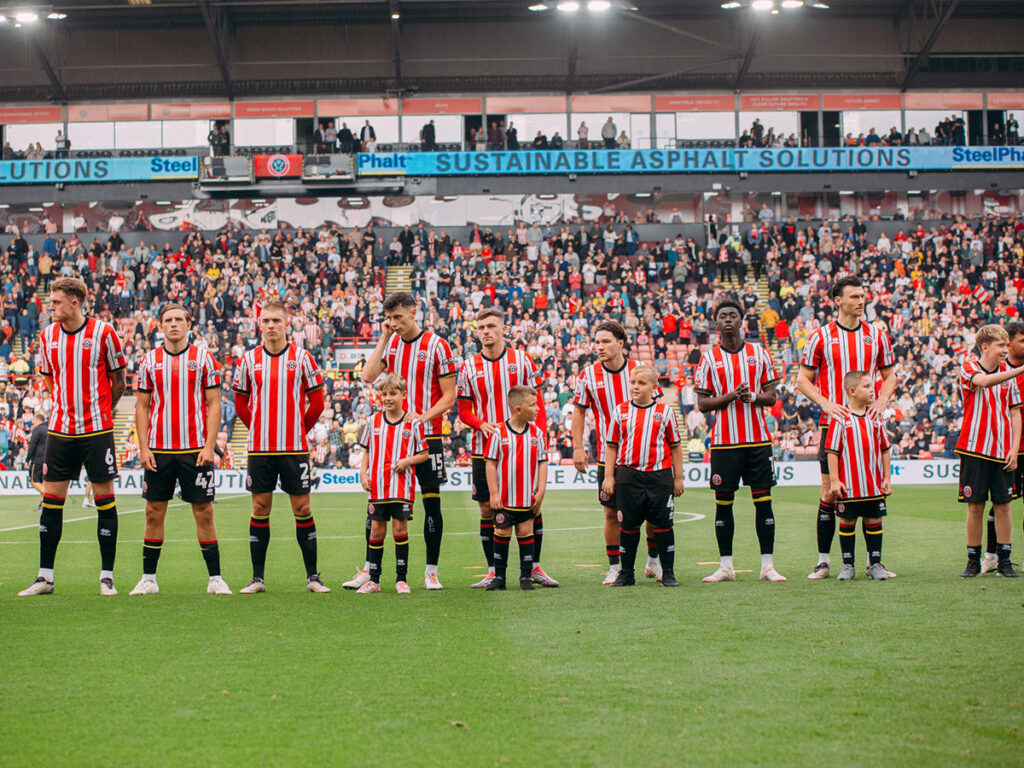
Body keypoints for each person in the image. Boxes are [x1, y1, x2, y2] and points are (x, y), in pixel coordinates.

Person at [19, 277, 127, 597]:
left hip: (97, 432)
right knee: (52, 503)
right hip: (60, 432)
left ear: (75, 302)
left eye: (55, 302)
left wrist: (103, 412)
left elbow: (118, 381)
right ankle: (45, 577)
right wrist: (66, 410)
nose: (50, 306)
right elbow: (51, 382)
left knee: (105, 502)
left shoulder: (104, 333)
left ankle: (107, 577)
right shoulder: (47, 337)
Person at [352, 292, 456, 590]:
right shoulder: (392, 342)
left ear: (414, 312)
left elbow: (449, 396)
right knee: (378, 505)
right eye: (390, 318)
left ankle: (431, 571)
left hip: (427, 435)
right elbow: (368, 376)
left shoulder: (437, 345)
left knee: (431, 506)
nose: (394, 323)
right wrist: (384, 339)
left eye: (399, 317)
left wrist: (423, 417)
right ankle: (371, 570)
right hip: (392, 439)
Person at [796, 275, 896, 580]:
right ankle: (824, 562)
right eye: (854, 296)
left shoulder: (876, 335)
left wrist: (881, 400)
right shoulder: (820, 337)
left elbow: (890, 375)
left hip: (867, 428)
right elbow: (802, 380)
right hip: (834, 427)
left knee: (871, 491)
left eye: (863, 296)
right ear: (838, 301)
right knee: (829, 493)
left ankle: (872, 563)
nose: (861, 301)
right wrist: (826, 404)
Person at [129, 303, 231, 596]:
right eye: (168, 320)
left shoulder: (204, 358)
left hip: (195, 450)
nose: (173, 324)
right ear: (160, 326)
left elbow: (214, 404)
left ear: (189, 324)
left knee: (204, 512)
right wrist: (143, 447)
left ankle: (215, 578)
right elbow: (143, 406)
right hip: (159, 450)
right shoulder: (149, 360)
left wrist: (210, 445)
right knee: (153, 512)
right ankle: (148, 578)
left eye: (179, 320)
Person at [232, 301, 329, 594]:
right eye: (266, 321)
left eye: (276, 320)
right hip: (260, 449)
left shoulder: (303, 358)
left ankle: (313, 577)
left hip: (293, 449)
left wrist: (299, 430)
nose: (271, 326)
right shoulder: (248, 360)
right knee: (260, 508)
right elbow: (240, 404)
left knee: (302, 508)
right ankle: (257, 579)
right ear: (259, 325)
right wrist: (260, 427)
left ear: (287, 324)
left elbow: (318, 403)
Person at [456, 307, 556, 588]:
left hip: (523, 446)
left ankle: (534, 567)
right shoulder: (468, 366)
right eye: (480, 327)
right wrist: (480, 424)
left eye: (490, 326)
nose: (485, 331)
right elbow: (463, 410)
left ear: (503, 329)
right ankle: (493, 570)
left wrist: (541, 435)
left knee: (532, 505)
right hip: (485, 447)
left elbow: (538, 402)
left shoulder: (521, 360)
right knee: (487, 509)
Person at [695, 300, 785, 583]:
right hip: (724, 443)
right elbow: (702, 404)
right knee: (724, 504)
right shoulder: (709, 358)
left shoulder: (759, 353)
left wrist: (753, 397)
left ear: (742, 320)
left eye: (733, 315)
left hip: (758, 440)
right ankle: (726, 567)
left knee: (764, 503)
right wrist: (732, 396)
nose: (729, 320)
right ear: (716, 323)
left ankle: (768, 566)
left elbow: (772, 397)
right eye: (723, 316)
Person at [572, 320, 662, 585]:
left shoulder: (639, 371)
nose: (599, 346)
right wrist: (578, 447)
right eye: (596, 342)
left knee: (652, 513)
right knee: (611, 513)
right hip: (607, 457)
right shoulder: (587, 375)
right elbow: (579, 410)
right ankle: (614, 566)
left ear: (621, 343)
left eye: (605, 341)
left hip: (644, 456)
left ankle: (653, 562)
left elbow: (657, 411)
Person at [601, 365, 683, 587]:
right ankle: (626, 573)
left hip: (659, 476)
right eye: (633, 383)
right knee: (627, 525)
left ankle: (668, 573)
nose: (636, 387)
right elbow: (611, 446)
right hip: (629, 476)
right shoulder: (621, 411)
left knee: (663, 525)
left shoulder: (665, 412)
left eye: (642, 383)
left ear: (654, 387)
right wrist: (609, 477)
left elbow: (675, 447)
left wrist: (678, 478)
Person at [956, 324, 1024, 578]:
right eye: (1000, 346)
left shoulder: (1010, 373)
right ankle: (973, 560)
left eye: (1007, 345)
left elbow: (1015, 413)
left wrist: (1014, 449)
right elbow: (984, 381)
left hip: (1002, 450)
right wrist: (1020, 370)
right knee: (975, 506)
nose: (1006, 350)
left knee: (1003, 505)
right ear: (985, 347)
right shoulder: (970, 367)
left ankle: (1004, 560)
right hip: (974, 449)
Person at [356, 374, 429, 594]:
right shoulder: (373, 421)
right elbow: (367, 450)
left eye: (393, 394)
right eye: (384, 394)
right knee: (376, 530)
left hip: (401, 486)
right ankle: (374, 581)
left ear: (403, 395)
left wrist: (408, 461)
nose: (388, 398)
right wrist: (363, 472)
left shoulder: (413, 422)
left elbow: (424, 453)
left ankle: (401, 579)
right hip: (378, 486)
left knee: (400, 528)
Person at [825, 371, 893, 581]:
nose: (872, 390)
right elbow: (832, 452)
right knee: (847, 521)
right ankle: (848, 565)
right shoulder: (840, 419)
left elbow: (884, 449)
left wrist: (887, 478)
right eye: (867, 386)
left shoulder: (875, 418)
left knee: (874, 519)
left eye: (872, 386)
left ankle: (875, 564)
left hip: (872, 485)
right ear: (852, 391)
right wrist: (835, 480)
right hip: (850, 486)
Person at [484, 385, 548, 591]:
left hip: (526, 498)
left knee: (525, 532)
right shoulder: (498, 433)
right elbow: (490, 463)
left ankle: (525, 577)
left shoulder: (537, 433)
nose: (537, 408)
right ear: (518, 409)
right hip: (504, 499)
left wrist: (541, 490)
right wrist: (493, 493)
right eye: (533, 405)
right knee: (502, 533)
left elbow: (542, 463)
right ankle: (499, 577)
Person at [984, 321, 1024, 571]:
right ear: (1008, 343)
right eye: (1022, 340)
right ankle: (991, 556)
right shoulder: (997, 373)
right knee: (999, 502)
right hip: (1008, 448)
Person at [26, 411, 46, 508]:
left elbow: (32, 445)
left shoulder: (37, 430)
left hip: (38, 459)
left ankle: (48, 496)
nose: (32, 421)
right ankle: (43, 504)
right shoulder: (49, 429)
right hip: (47, 459)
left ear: (39, 420)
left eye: (34, 419)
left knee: (34, 481)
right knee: (42, 481)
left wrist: (27, 459)